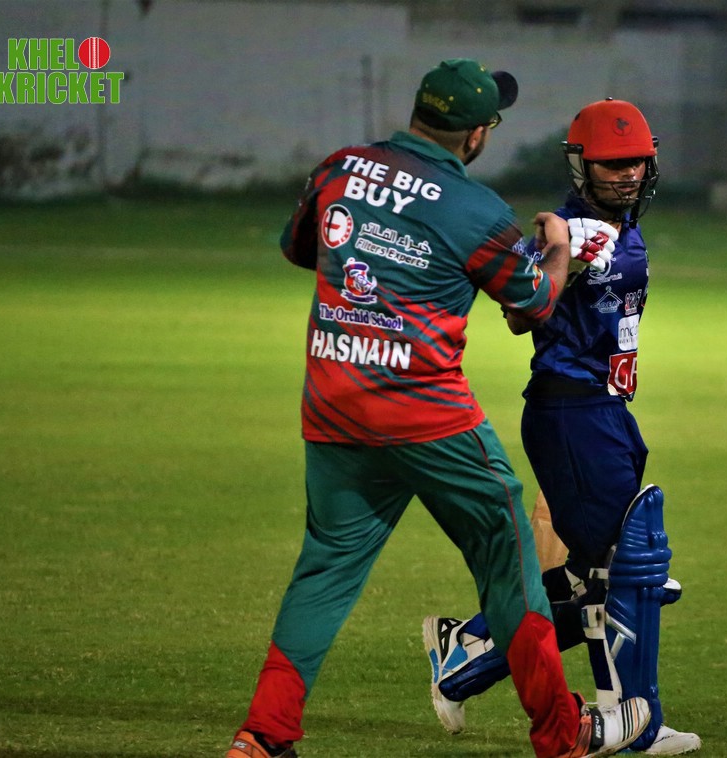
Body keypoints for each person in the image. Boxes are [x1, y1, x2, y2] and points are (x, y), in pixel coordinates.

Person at [225, 62, 651, 758]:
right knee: (509, 561)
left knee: (325, 569)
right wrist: (557, 248)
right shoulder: (476, 211)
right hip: (427, 414)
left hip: (334, 403)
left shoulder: (340, 168)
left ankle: (263, 736)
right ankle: (560, 731)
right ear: (477, 135)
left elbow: (300, 248)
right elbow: (534, 305)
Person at [422, 99, 700, 755]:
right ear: (581, 165)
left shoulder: (621, 227)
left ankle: (468, 653)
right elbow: (519, 314)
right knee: (627, 568)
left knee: (595, 579)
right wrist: (564, 255)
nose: (626, 174)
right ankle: (632, 722)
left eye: (635, 162)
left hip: (607, 410)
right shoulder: (568, 228)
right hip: (571, 410)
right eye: (611, 164)